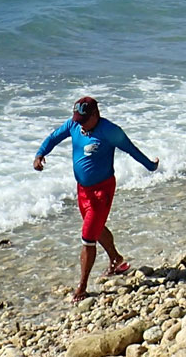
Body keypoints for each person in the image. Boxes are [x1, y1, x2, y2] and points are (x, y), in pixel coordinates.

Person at [33, 96, 160, 300]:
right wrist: (40, 154)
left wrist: (150, 166)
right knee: (96, 228)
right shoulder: (74, 124)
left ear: (95, 114)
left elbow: (131, 150)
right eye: (77, 119)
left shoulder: (110, 131)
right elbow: (53, 137)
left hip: (102, 191)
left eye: (83, 120)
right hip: (83, 190)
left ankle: (81, 288)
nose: (79, 123)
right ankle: (117, 260)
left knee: (88, 236)